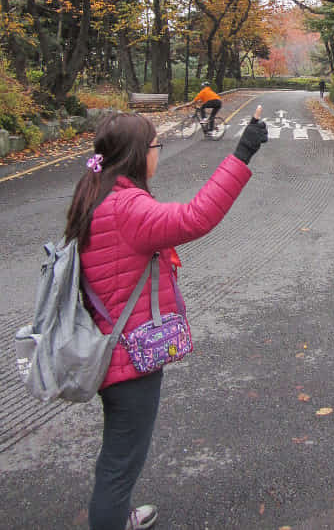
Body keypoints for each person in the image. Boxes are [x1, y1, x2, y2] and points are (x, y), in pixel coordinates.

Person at [65, 108, 267, 530]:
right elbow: (196, 217)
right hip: (128, 362)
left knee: (118, 455)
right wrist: (242, 152)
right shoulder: (126, 206)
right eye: (156, 145)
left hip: (106, 347)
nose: (159, 152)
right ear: (138, 154)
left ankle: (119, 515)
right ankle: (114, 520)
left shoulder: (93, 191)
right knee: (120, 465)